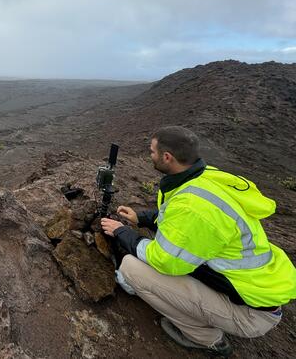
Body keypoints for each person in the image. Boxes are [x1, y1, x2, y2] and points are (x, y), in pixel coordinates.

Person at [100, 126, 296, 357]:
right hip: (254, 290)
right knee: (159, 247)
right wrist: (140, 218)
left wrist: (123, 232)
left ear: (167, 157)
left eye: (152, 151)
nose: (149, 155)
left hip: (251, 314)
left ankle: (208, 340)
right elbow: (175, 218)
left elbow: (164, 260)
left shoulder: (195, 207)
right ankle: (206, 313)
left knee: (131, 268)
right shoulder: (203, 176)